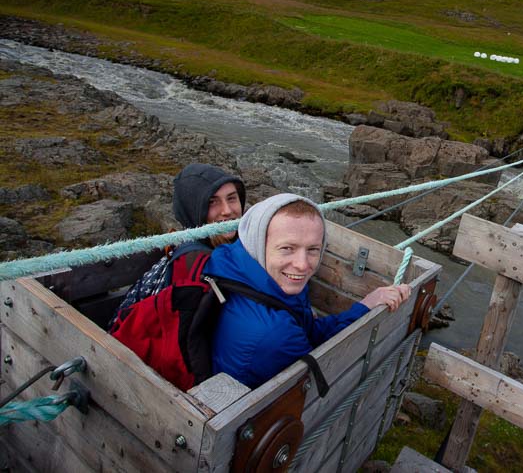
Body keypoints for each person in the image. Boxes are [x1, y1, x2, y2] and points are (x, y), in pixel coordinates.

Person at [206, 193, 411, 389]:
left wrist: (366, 305)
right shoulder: (277, 336)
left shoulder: (239, 266)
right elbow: (320, 372)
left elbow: (309, 330)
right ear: (259, 243)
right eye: (287, 248)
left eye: (313, 249)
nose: (303, 265)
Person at [109, 163, 246, 327]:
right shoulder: (195, 262)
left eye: (231, 198)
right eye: (212, 202)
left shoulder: (235, 245)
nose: (227, 210)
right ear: (193, 209)